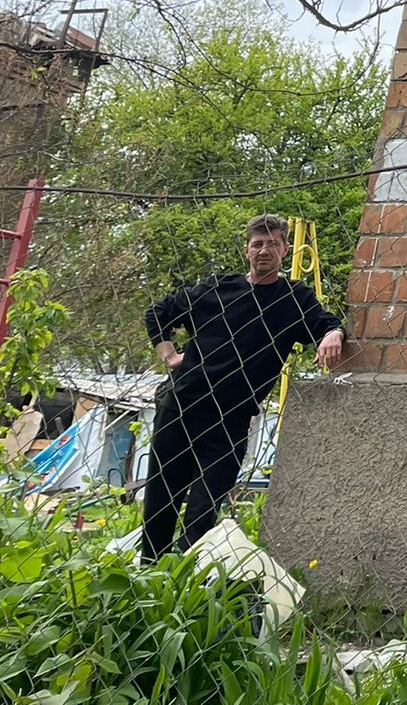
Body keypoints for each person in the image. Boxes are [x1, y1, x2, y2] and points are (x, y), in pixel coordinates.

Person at [141, 213, 344, 558]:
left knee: (203, 513)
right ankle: (149, 572)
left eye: (273, 244)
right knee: (161, 499)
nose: (264, 250)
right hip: (182, 407)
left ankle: (183, 581)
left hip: (231, 421)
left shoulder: (293, 298)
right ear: (247, 250)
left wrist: (333, 334)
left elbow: (325, 323)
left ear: (284, 249)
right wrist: (168, 353)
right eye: (257, 244)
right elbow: (157, 313)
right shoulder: (216, 289)